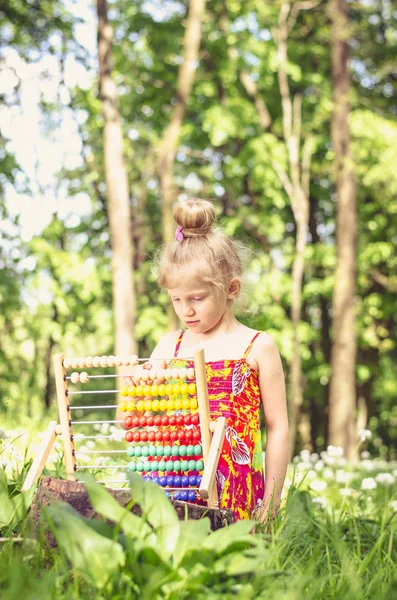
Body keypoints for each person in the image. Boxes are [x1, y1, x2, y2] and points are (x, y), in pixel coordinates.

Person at [124, 198, 289, 523]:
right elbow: (133, 424)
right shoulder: (170, 346)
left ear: (231, 288)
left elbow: (278, 427)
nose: (186, 310)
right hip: (174, 489)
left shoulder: (257, 347)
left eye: (197, 299)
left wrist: (271, 502)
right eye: (176, 300)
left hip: (238, 501)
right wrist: (136, 391)